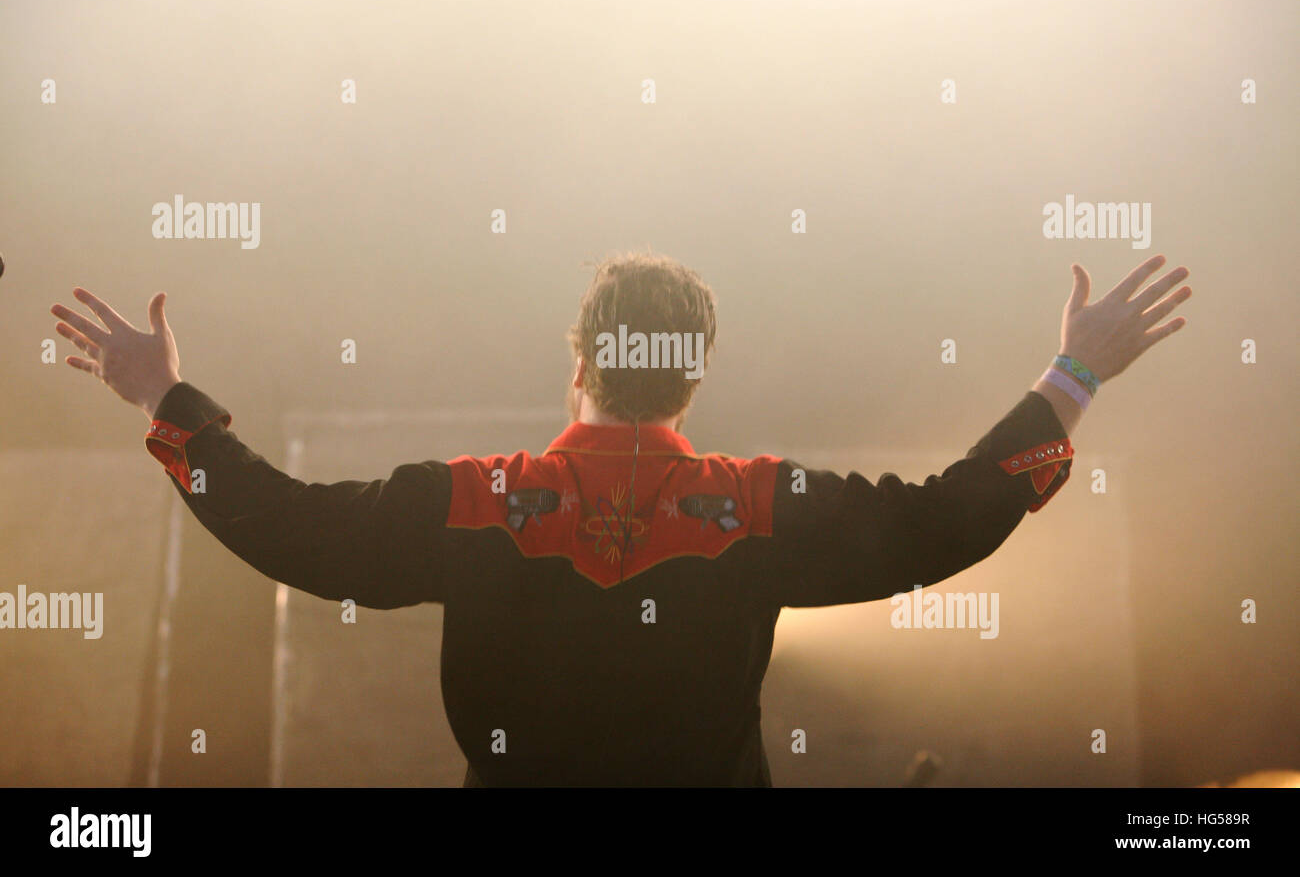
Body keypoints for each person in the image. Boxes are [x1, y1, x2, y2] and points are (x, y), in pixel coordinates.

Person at [50, 251, 1191, 786]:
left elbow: (281, 526)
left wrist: (165, 399)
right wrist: (1070, 378)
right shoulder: (756, 507)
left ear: (579, 366)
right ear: (689, 382)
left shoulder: (471, 500)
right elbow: (951, 519)